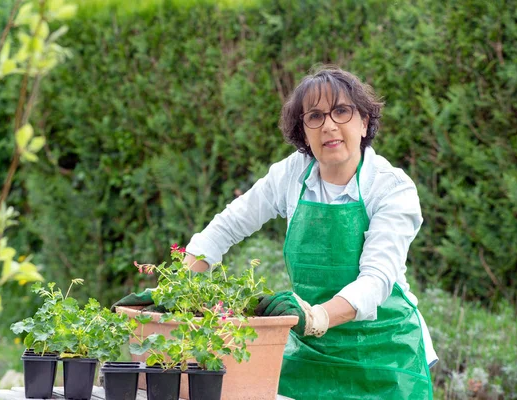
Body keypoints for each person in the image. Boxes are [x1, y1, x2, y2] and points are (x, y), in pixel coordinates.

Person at [115, 65, 438, 399]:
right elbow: (227, 226)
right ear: (303, 131)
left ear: (364, 121)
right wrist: (178, 290)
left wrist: (317, 316)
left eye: (341, 111)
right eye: (314, 116)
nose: (329, 125)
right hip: (313, 351)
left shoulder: (390, 187)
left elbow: (377, 280)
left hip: (385, 354)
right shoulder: (292, 174)